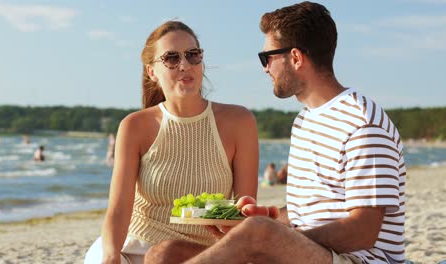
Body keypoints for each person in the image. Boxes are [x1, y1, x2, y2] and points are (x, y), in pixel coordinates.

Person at [144, 2, 406, 264]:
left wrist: (266, 239)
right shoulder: (305, 120)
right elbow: (305, 214)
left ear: (295, 58)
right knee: (163, 254)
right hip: (310, 253)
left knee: (258, 233)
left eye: (267, 57)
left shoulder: (361, 123)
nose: (265, 68)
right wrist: (260, 220)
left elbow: (363, 231)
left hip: (358, 260)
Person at [84, 20, 259, 264]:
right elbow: (119, 208)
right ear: (152, 71)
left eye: (192, 55)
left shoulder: (239, 121)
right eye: (171, 58)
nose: (185, 65)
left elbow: (244, 212)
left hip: (201, 254)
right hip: (135, 247)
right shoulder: (134, 126)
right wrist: (111, 256)